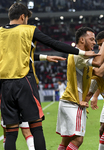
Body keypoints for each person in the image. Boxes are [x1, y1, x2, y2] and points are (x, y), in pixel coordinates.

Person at [0, 3, 98, 150]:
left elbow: (21, 56)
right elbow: (53, 43)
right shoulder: (28, 30)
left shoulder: (1, 32)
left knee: (11, 132)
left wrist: (45, 57)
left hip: (5, 86)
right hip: (24, 81)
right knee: (36, 127)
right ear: (23, 17)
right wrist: (82, 53)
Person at [56, 27, 104, 150]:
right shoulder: (78, 55)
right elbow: (99, 64)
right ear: (82, 40)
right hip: (73, 102)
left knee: (66, 141)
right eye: (92, 39)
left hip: (68, 101)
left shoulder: (80, 56)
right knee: (78, 139)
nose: (94, 42)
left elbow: (98, 72)